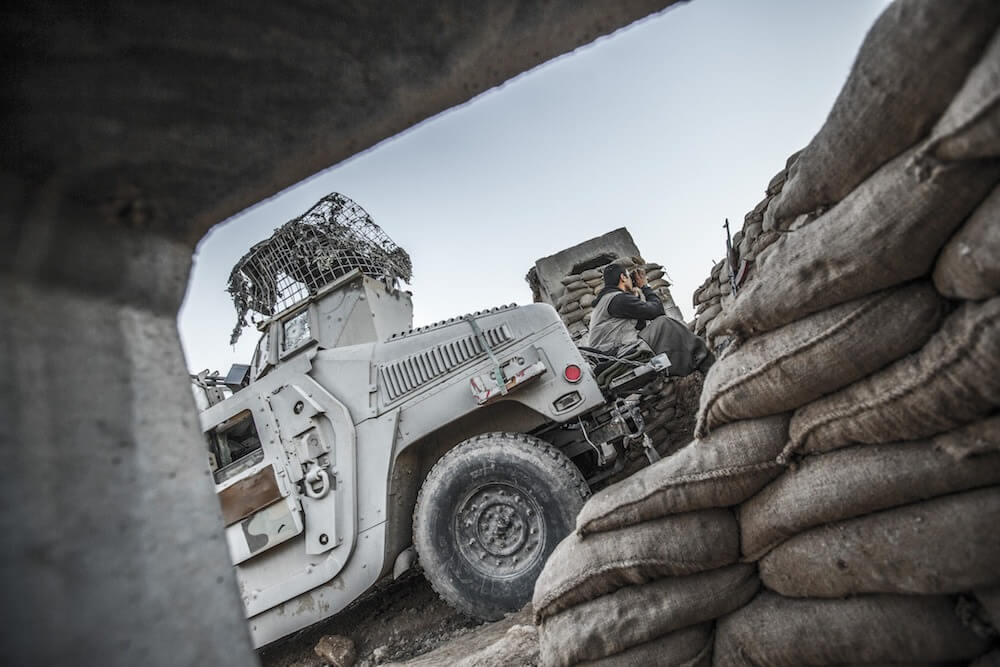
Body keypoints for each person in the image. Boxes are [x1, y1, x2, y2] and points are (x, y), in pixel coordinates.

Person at [588, 262, 715, 376]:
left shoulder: (605, 301)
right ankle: (708, 364)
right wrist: (645, 286)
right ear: (622, 277)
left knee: (659, 333)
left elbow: (640, 326)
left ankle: (678, 368)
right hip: (618, 353)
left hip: (610, 354)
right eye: (628, 276)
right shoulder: (617, 299)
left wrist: (636, 297)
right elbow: (657, 312)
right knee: (665, 323)